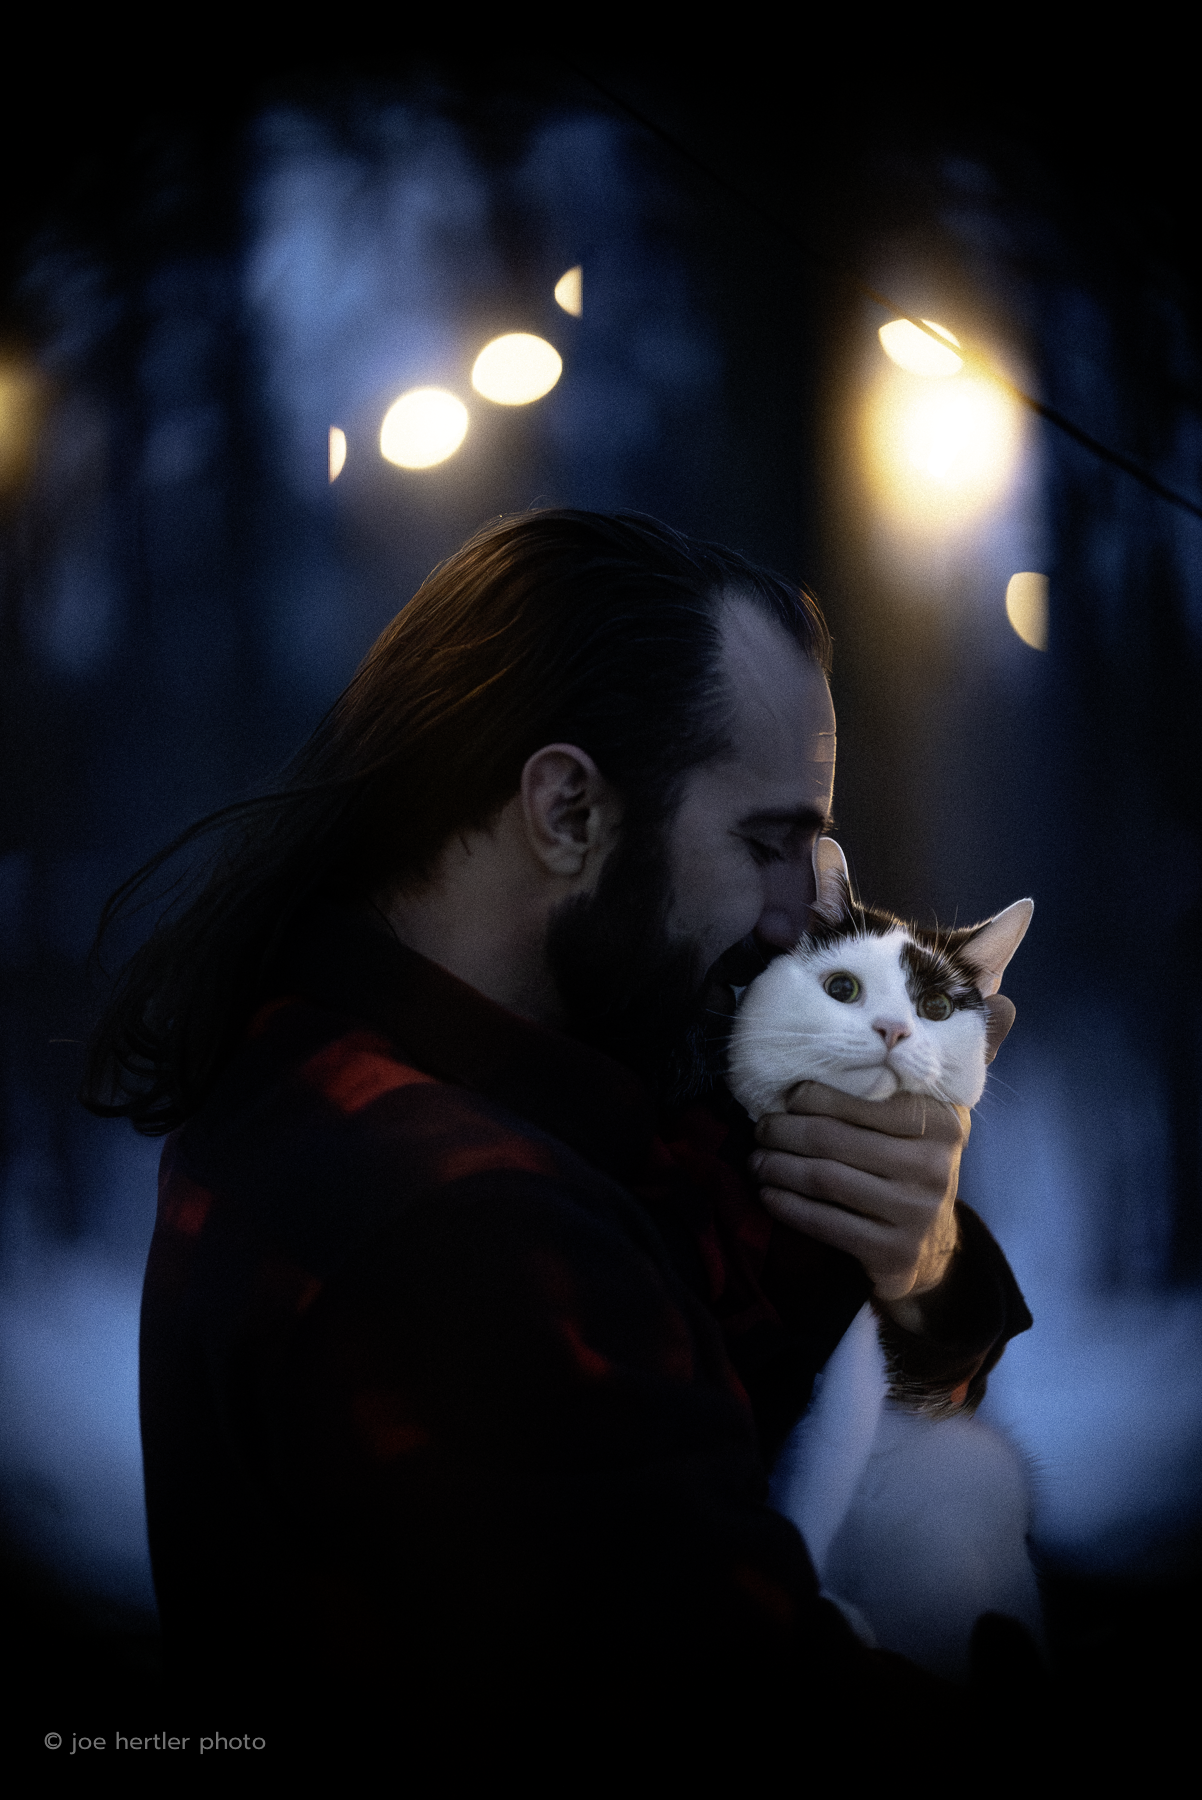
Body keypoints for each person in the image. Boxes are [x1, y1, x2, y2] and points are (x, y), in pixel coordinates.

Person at [83, 510, 1030, 1738]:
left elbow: (750, 1380)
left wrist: (918, 1257)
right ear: (569, 811)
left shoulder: (495, 1086)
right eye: (767, 842)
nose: (800, 915)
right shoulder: (455, 1224)